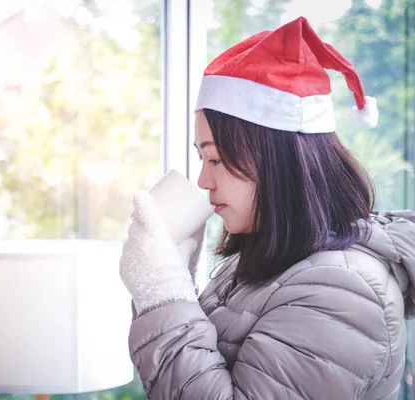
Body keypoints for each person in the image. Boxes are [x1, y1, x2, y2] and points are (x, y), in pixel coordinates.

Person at [118, 16, 415, 399]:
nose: (204, 181)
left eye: (216, 160)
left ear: (278, 162)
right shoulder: (268, 262)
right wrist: (179, 283)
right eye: (201, 158)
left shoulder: (341, 292)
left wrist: (162, 295)